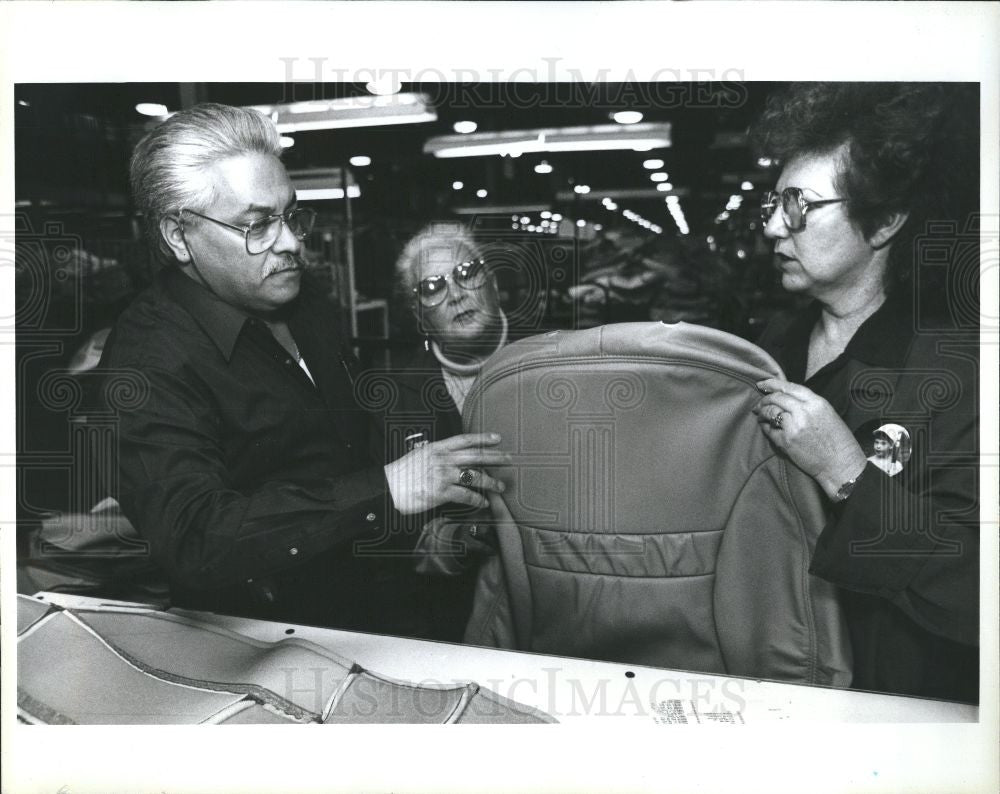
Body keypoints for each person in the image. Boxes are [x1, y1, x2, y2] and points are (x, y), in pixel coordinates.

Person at [99, 103, 510, 634]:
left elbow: (351, 439)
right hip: (269, 641)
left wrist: (432, 525)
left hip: (382, 610)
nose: (291, 242)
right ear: (179, 236)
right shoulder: (148, 359)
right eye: (257, 225)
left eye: (290, 215)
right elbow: (196, 538)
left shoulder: (304, 301)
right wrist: (387, 492)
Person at [750, 83, 979, 701]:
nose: (773, 227)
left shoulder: (958, 373)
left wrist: (848, 471)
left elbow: (976, 586)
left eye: (798, 206)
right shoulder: (769, 344)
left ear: (884, 221)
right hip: (780, 672)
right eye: (772, 203)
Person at [372, 222, 509, 641]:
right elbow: (387, 539)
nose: (455, 293)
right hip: (454, 618)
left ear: (493, 283)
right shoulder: (392, 400)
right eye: (432, 287)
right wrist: (454, 541)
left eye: (468, 272)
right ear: (418, 315)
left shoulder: (557, 362)